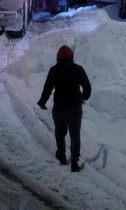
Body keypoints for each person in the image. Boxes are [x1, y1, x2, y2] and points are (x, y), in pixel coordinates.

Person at [37, 44, 91, 172]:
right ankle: (74, 163)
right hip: (75, 108)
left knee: (60, 133)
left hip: (59, 108)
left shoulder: (54, 70)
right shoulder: (78, 69)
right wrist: (83, 98)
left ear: (58, 57)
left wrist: (42, 102)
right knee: (75, 135)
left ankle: (61, 156)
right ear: (71, 56)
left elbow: (48, 88)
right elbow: (87, 87)